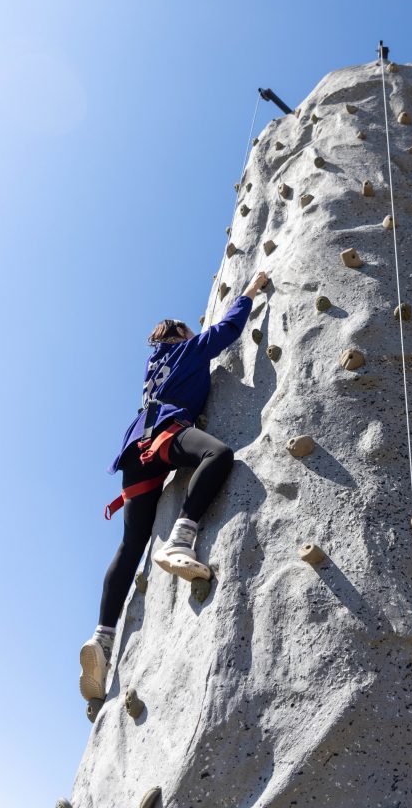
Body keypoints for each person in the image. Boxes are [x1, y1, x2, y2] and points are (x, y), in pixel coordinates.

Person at [79, 269, 269, 704]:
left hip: (133, 450)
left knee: (131, 545)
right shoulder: (186, 350)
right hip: (166, 435)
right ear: (180, 334)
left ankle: (102, 638)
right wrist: (249, 292)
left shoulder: (153, 367)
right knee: (217, 454)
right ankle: (182, 537)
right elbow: (227, 330)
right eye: (189, 328)